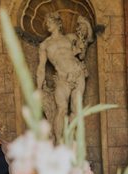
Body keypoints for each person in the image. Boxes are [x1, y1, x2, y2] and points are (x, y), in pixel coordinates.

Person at [36, 12, 93, 142]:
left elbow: (85, 47)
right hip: (62, 77)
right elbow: (41, 68)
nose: (47, 25)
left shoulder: (70, 37)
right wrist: (39, 88)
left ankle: (72, 141)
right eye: (47, 23)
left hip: (78, 73)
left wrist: (87, 26)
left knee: (76, 109)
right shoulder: (45, 45)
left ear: (58, 23)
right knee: (61, 109)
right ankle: (59, 142)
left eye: (50, 22)